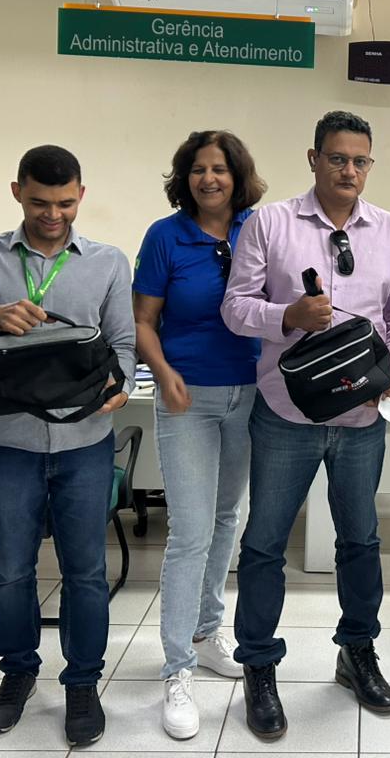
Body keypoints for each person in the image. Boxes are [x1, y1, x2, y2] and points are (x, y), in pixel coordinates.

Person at [0, 145, 135, 747]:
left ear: (81, 196)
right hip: (8, 441)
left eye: (65, 203)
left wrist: (121, 384)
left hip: (85, 441)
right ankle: (17, 674)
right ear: (17, 192)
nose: (53, 214)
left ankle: (82, 683)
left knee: (86, 573)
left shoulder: (107, 262)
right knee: (11, 571)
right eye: (40, 202)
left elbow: (123, 344)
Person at [220, 110, 390, 741]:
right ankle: (258, 665)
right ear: (314, 159)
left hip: (363, 415)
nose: (349, 170)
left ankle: (356, 652)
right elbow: (234, 307)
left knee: (360, 541)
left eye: (360, 161)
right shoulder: (271, 223)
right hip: (286, 412)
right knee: (264, 544)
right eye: (337, 158)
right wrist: (288, 316)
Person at [132, 131, 266, 739]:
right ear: (184, 178)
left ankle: (209, 633)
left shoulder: (259, 229)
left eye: (220, 169)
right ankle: (177, 669)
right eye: (197, 169)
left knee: (226, 518)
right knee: (189, 532)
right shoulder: (165, 236)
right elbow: (143, 320)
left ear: (238, 176)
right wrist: (164, 375)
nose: (208, 179)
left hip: (252, 394)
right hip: (188, 396)